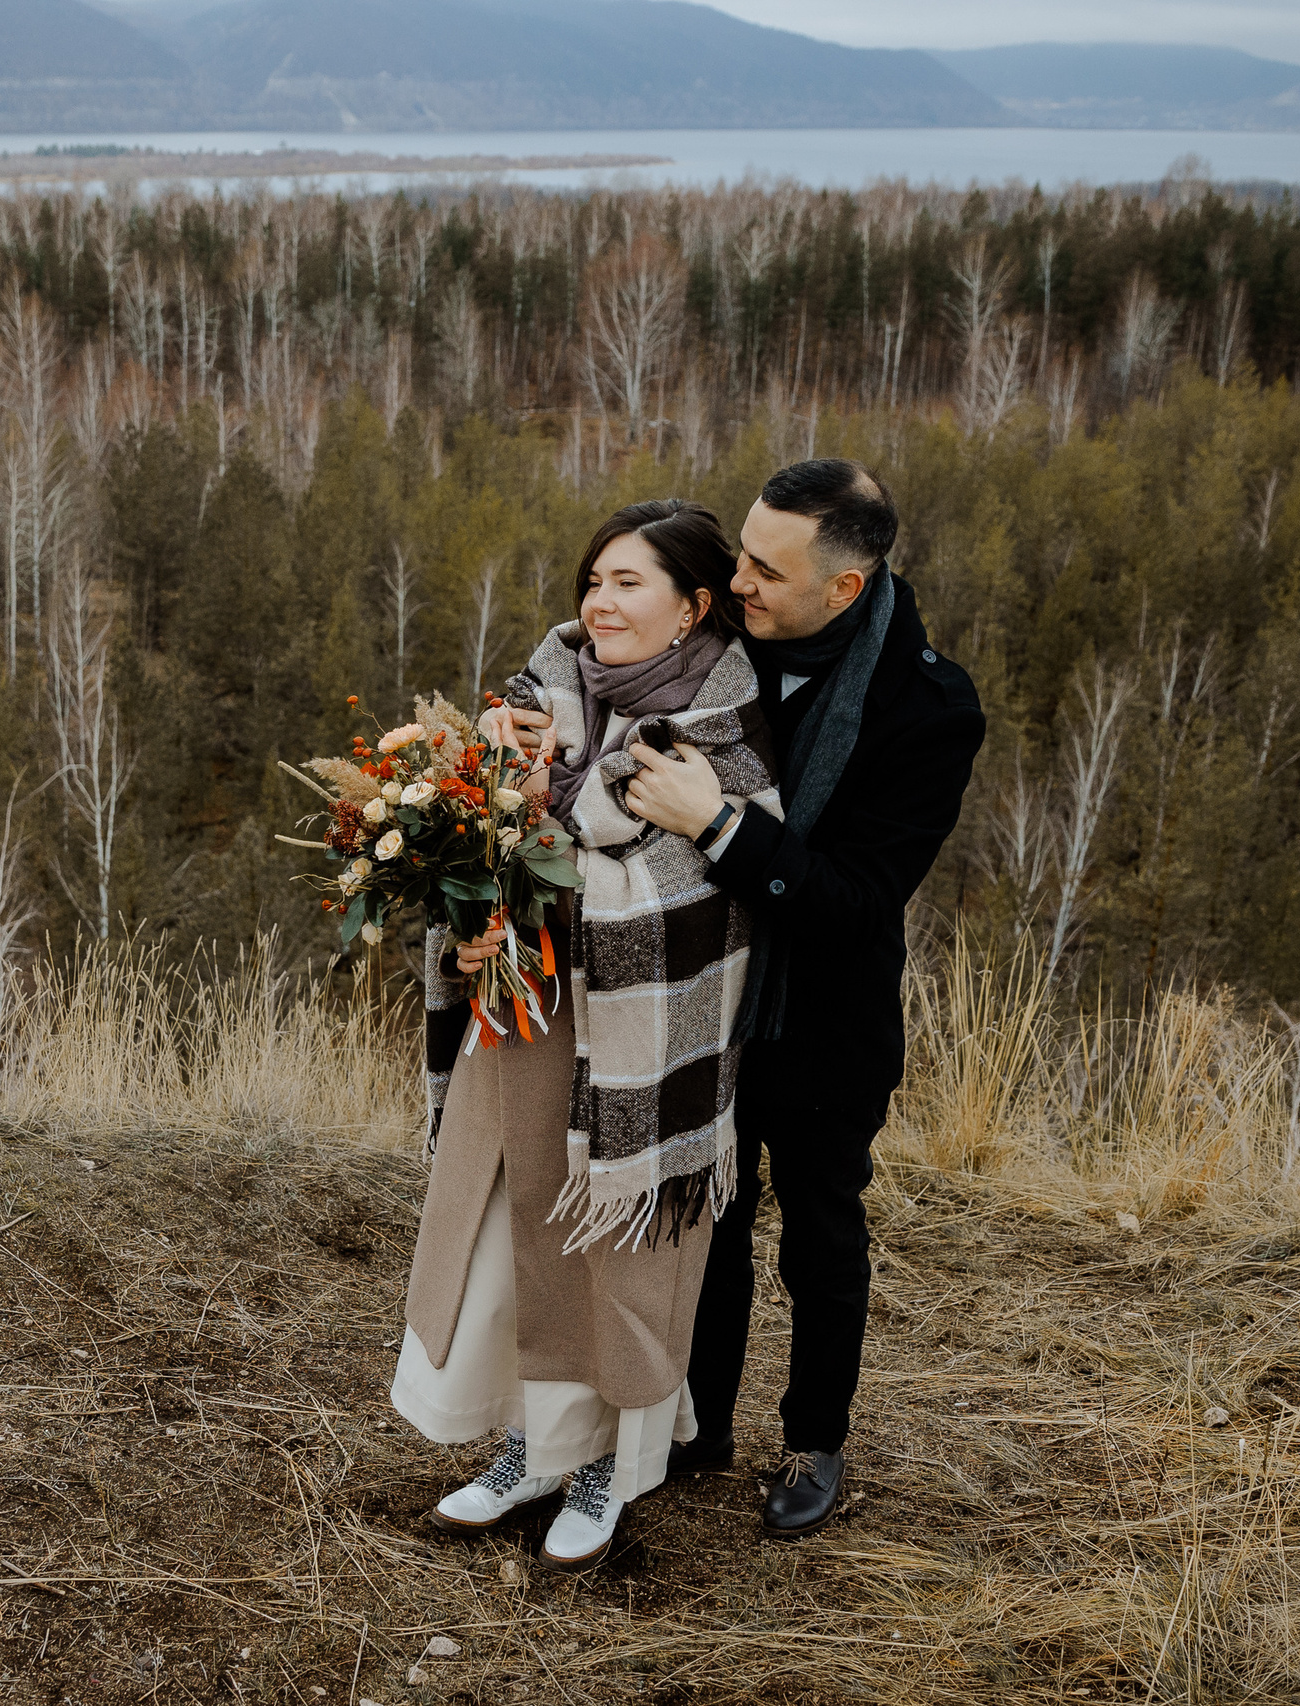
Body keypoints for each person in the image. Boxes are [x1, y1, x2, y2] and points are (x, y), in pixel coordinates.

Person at [391, 499, 782, 1572]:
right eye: (594, 581)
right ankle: (533, 1447)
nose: (600, 602)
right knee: (517, 1234)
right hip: (530, 1015)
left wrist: (545, 875)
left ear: (692, 606)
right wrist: (479, 908)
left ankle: (613, 1462)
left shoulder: (720, 725)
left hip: (648, 1040)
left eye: (628, 583)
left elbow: (708, 894)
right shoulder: (539, 697)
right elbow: (482, 847)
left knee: (627, 1257)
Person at [612, 459, 985, 1538]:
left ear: (845, 587)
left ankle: (814, 1442)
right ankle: (700, 1424)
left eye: (767, 571)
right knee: (710, 1222)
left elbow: (856, 902)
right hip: (708, 995)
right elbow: (599, 673)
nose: (737, 582)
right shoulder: (721, 646)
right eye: (742, 554)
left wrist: (717, 825)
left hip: (827, 1016)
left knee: (820, 1238)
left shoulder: (928, 708)